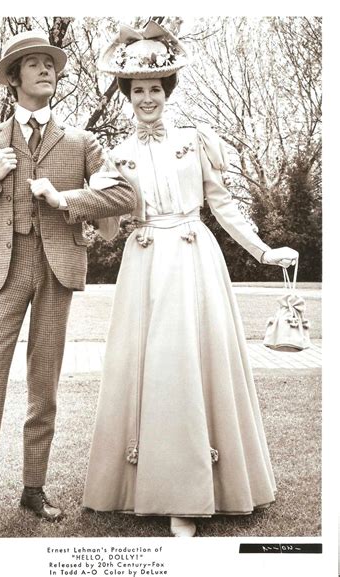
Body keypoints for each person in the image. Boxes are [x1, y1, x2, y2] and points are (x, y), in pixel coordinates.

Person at [82, 21, 298, 537]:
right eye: (138, 90)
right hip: (144, 261)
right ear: (126, 96)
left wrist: (264, 249)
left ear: (167, 90)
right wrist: (83, 204)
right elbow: (109, 226)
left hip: (192, 255)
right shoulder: (116, 156)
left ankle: (194, 492)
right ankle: (138, 487)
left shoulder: (195, 140)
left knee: (189, 365)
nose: (148, 98)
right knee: (148, 368)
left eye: (155, 88)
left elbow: (222, 205)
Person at [0, 29, 136, 537]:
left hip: (59, 269)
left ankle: (33, 488)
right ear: (13, 79)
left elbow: (123, 195)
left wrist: (66, 199)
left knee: (45, 385)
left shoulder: (82, 142)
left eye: (50, 63)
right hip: (5, 271)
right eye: (33, 64)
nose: (46, 69)